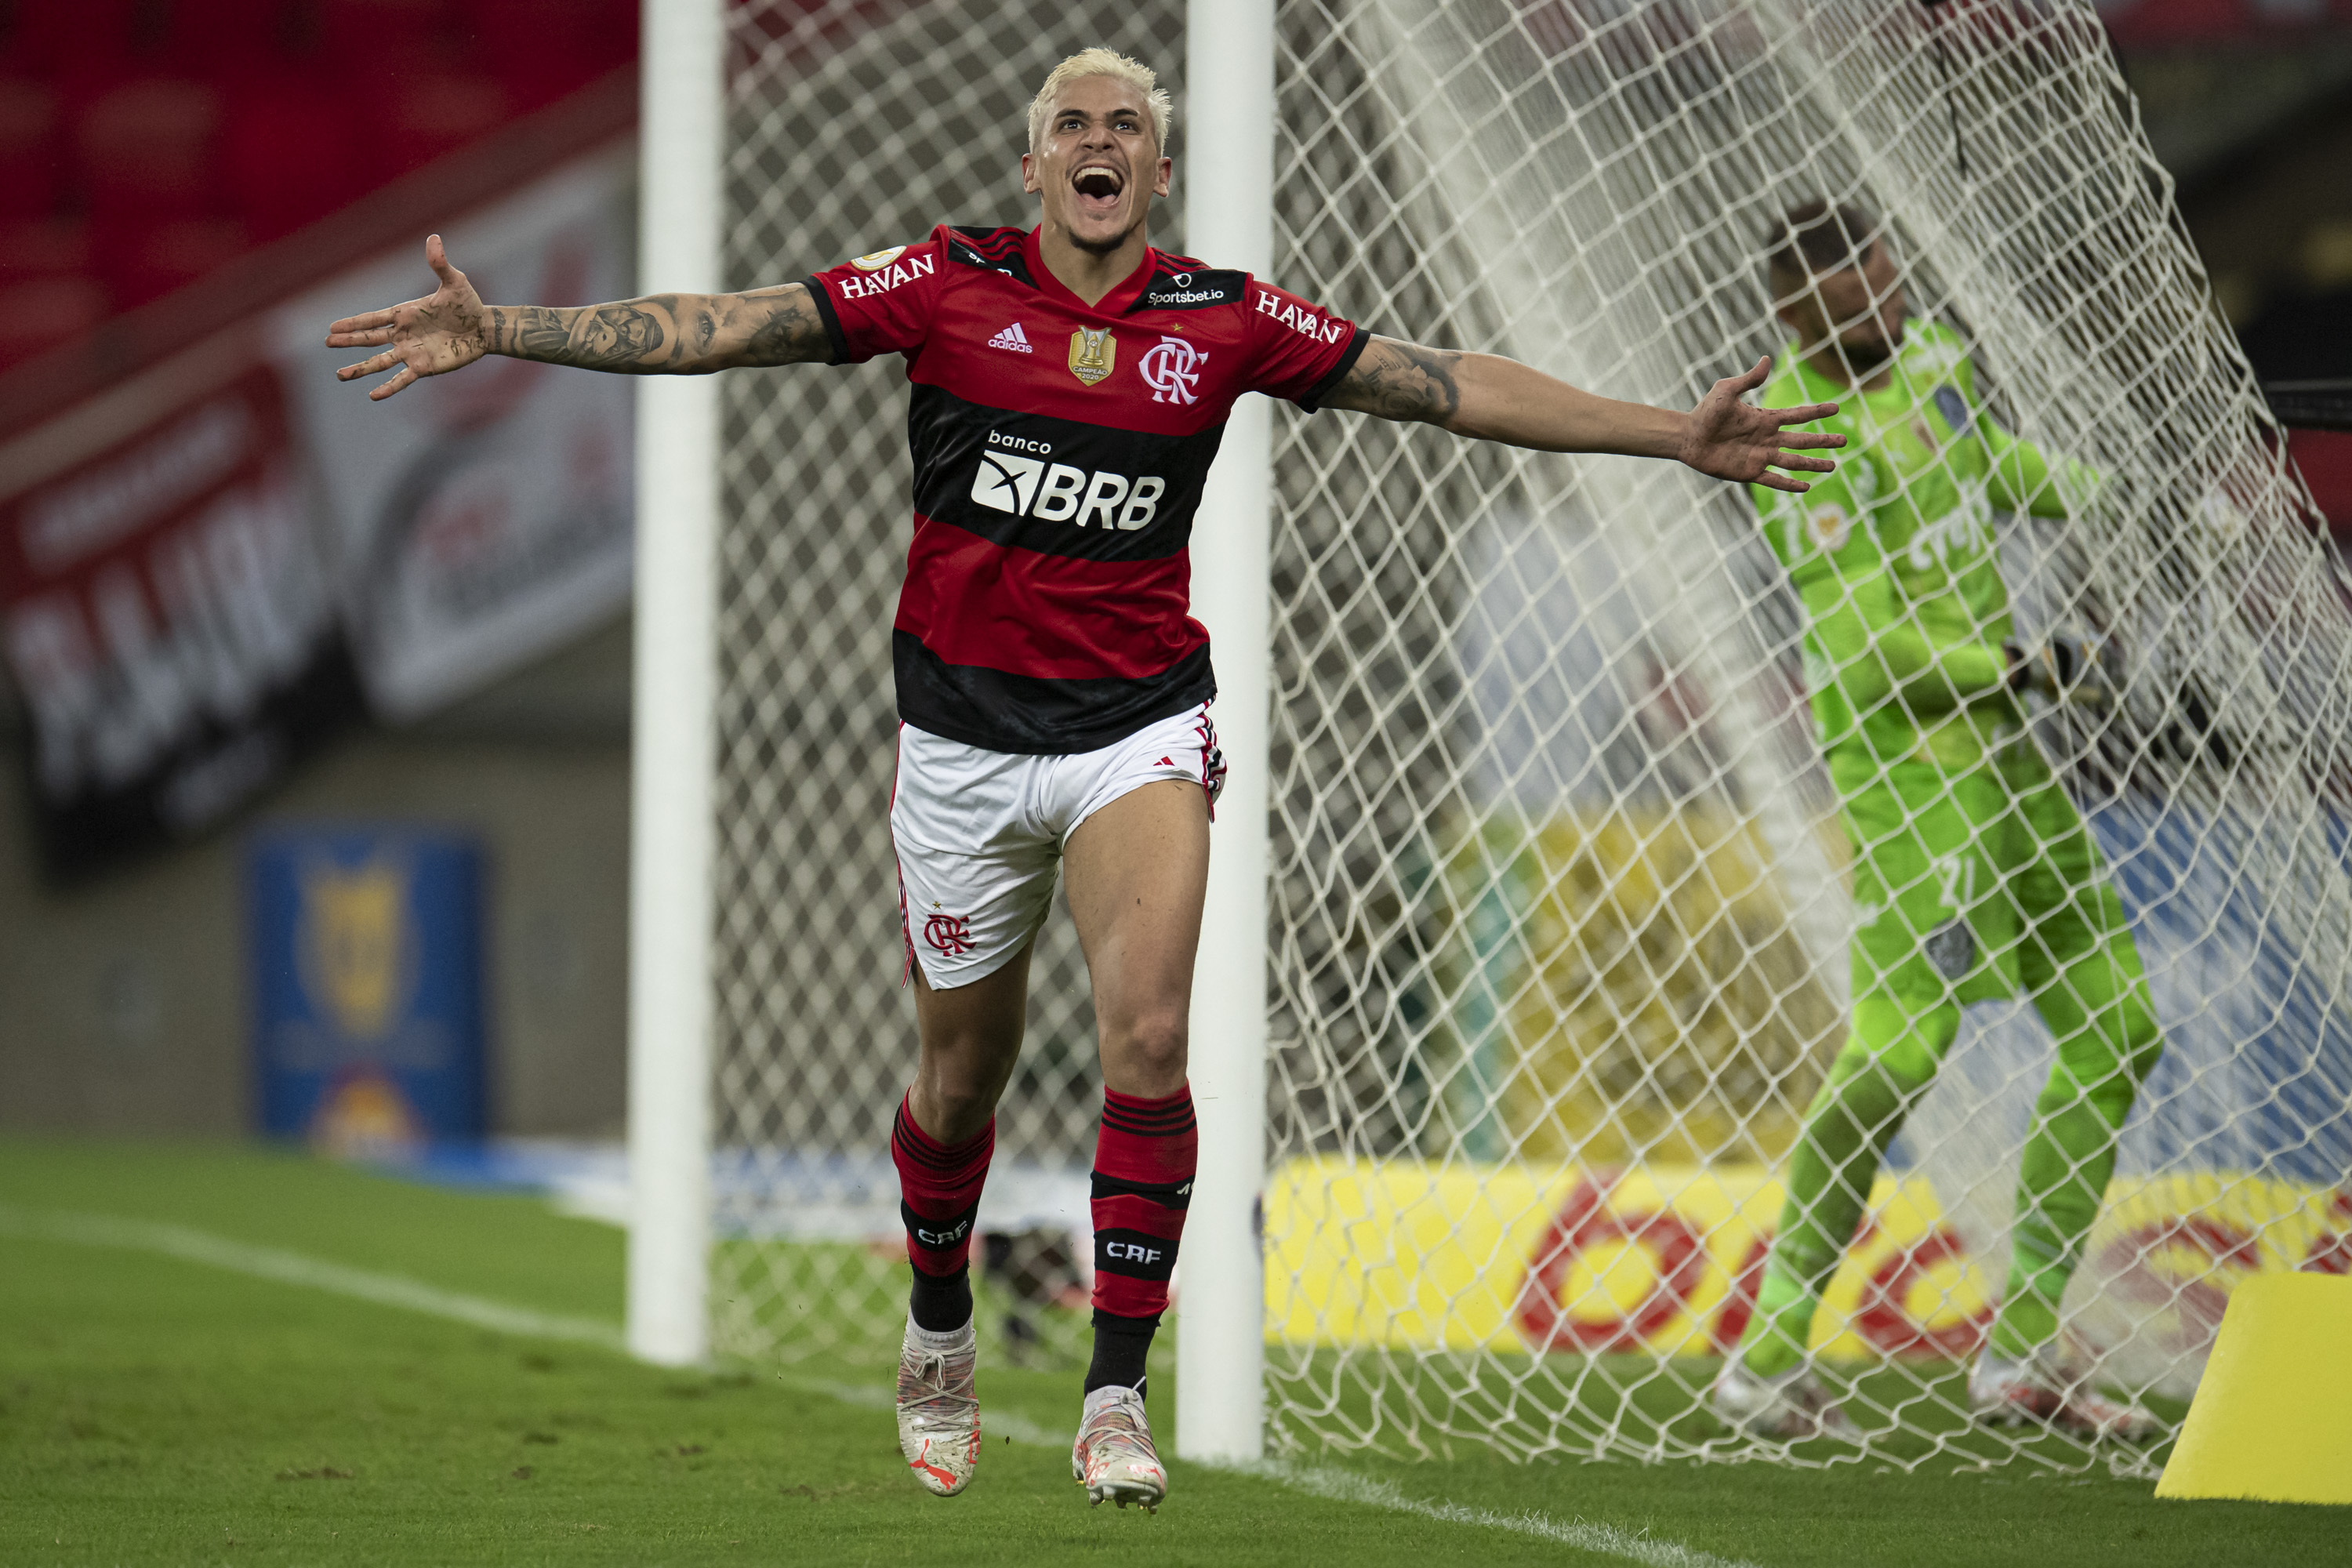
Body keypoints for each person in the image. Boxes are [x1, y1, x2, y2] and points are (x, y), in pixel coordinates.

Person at [325, 49, 1843, 1510]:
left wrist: (1667, 434)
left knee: (1154, 1026)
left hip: (1138, 724)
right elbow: (731, 322)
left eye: (1126, 123)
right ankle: (937, 1330)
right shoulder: (944, 283)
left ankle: (1116, 1393)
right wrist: (512, 330)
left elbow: (1439, 380)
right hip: (964, 745)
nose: (1099, 140)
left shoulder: (1225, 318)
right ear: (1037, 160)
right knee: (960, 1077)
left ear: (1159, 169)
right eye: (1073, 122)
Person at [1713, 200, 2166, 1443]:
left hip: (2007, 761)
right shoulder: (1792, 436)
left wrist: (2114, 492)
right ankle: (1765, 1352)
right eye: (1854, 287)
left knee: (2119, 1028)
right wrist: (2021, 664)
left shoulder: (1933, 361)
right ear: (1796, 309)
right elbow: (1861, 653)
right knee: (1903, 1053)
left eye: (1886, 271)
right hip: (1912, 771)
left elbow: (1987, 470)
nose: (1886, 296)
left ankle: (2023, 1351)